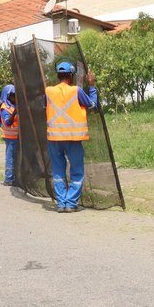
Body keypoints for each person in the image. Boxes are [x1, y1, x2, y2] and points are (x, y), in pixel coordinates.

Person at [45, 61, 98, 213]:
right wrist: (92, 86)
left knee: (58, 171)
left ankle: (61, 203)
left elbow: (45, 107)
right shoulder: (76, 91)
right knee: (76, 171)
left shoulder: (48, 91)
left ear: (58, 75)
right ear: (71, 75)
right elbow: (92, 104)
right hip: (73, 139)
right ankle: (71, 203)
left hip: (54, 139)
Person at [0, 84, 19, 186]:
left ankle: (16, 177)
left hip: (17, 137)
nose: (16, 97)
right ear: (7, 96)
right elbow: (7, 122)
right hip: (10, 137)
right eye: (13, 95)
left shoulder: (15, 106)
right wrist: (14, 113)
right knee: (10, 158)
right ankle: (8, 178)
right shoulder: (5, 107)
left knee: (16, 157)